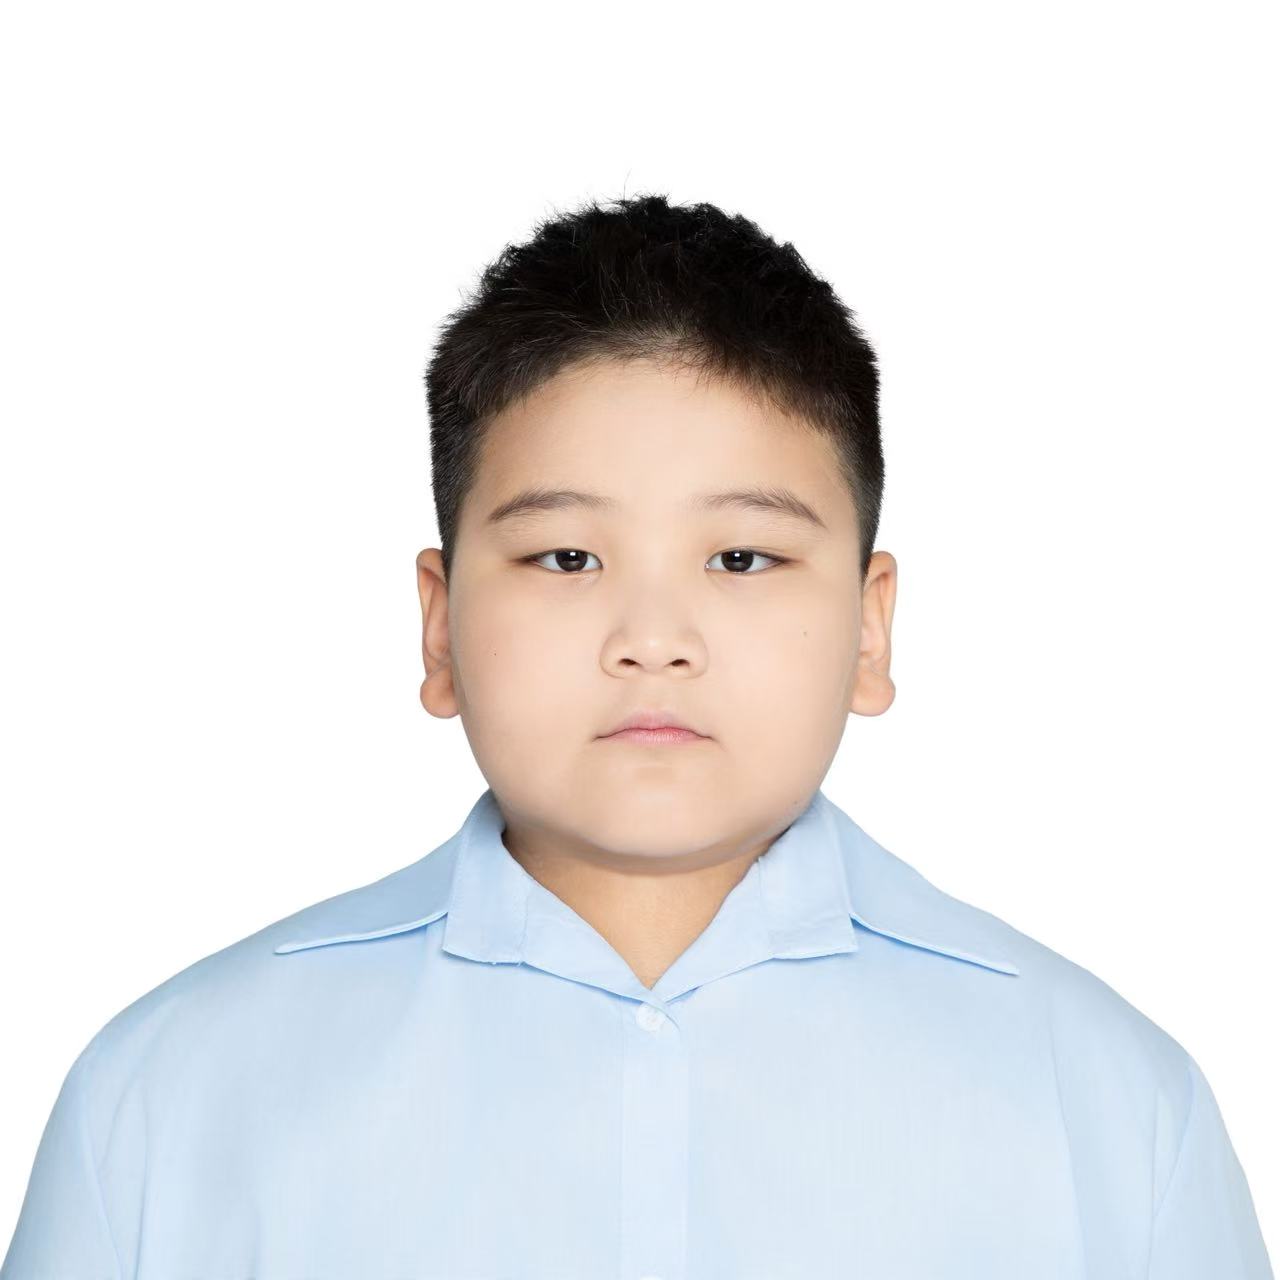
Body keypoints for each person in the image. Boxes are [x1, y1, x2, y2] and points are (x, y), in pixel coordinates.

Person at [2, 194, 1271, 1279]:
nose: (652, 637)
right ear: (439, 626)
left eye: (740, 556)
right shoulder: (168, 1094)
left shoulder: (1109, 1106)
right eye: (566, 556)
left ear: (868, 626)